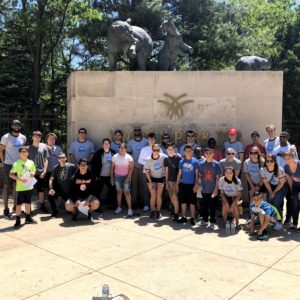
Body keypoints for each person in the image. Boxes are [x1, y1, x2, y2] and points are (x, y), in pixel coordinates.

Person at [0, 119, 26, 216]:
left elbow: (23, 151)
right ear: (11, 126)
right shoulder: (5, 137)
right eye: (14, 125)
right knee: (6, 186)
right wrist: (3, 162)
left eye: (18, 125)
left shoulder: (23, 137)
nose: (16, 127)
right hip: (8, 164)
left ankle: (16, 206)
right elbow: (1, 150)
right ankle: (6, 208)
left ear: (19, 126)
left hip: (19, 165)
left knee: (17, 187)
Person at [9, 146, 36, 228]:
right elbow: (10, 174)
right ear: (19, 153)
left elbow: (34, 170)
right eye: (22, 152)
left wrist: (33, 173)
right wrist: (19, 179)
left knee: (28, 203)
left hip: (29, 186)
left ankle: (28, 218)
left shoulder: (31, 162)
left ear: (28, 153)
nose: (24, 153)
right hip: (20, 188)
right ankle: (17, 220)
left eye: (26, 151)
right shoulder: (16, 163)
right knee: (18, 205)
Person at [198, 148, 222, 229]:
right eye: (207, 153)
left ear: (213, 154)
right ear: (204, 154)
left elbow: (218, 178)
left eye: (210, 153)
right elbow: (200, 176)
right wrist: (200, 186)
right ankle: (205, 220)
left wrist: (216, 189)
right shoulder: (201, 165)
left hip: (213, 189)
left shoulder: (216, 164)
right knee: (204, 205)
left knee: (212, 206)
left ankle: (212, 221)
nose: (208, 154)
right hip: (204, 189)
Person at [260, 154, 287, 227]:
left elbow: (281, 183)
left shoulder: (279, 170)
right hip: (271, 186)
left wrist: (274, 192)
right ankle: (272, 219)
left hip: (282, 186)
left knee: (275, 203)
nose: (269, 163)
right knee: (269, 203)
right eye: (267, 161)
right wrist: (271, 192)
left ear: (274, 161)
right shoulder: (263, 170)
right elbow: (266, 182)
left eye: (271, 161)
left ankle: (279, 220)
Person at [176, 145, 200, 226]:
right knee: (183, 202)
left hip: (192, 185)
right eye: (186, 151)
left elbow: (197, 174)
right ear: (184, 152)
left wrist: (196, 184)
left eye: (190, 151)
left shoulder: (195, 162)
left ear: (192, 152)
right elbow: (179, 173)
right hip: (183, 184)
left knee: (192, 203)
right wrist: (176, 184)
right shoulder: (181, 162)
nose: (188, 152)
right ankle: (184, 217)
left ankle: (192, 218)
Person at [138, 132, 162, 211]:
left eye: (153, 139)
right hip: (146, 172)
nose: (151, 141)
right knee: (146, 189)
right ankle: (146, 205)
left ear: (155, 140)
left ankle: (155, 205)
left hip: (157, 173)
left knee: (156, 189)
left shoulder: (159, 149)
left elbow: (161, 159)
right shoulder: (144, 149)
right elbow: (139, 160)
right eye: (150, 139)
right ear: (148, 140)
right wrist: (148, 163)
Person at [48, 152, 76, 217]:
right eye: (60, 158)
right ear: (58, 159)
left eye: (63, 157)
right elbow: (51, 179)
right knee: (50, 195)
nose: (62, 159)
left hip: (70, 191)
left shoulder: (72, 166)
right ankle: (55, 210)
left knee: (70, 210)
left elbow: (76, 177)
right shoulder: (56, 167)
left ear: (66, 158)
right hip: (60, 190)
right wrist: (51, 189)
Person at [91, 138, 116, 210]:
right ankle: (97, 207)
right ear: (102, 145)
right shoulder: (98, 153)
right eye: (104, 143)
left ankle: (111, 204)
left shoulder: (113, 153)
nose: (106, 145)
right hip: (100, 176)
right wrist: (95, 175)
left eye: (107, 143)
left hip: (110, 176)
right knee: (97, 191)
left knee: (112, 190)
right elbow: (93, 164)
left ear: (110, 145)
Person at [127, 127, 148, 209]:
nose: (137, 131)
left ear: (141, 131)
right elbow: (128, 154)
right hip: (134, 166)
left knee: (144, 185)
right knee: (134, 185)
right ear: (134, 132)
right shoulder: (130, 142)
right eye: (136, 130)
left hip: (144, 166)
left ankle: (143, 202)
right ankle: (134, 203)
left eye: (139, 130)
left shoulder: (145, 141)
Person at [111, 143, 134, 217]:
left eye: (123, 148)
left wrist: (128, 178)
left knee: (127, 193)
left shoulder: (129, 157)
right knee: (119, 192)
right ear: (119, 148)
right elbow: (112, 168)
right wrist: (112, 178)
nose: (122, 149)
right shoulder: (114, 156)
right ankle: (119, 207)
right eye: (120, 147)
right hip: (117, 177)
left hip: (126, 177)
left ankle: (130, 209)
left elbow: (131, 168)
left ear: (126, 149)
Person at [28, 131, 49, 212]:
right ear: (32, 137)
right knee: (29, 191)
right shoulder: (28, 148)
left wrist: (44, 171)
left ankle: (42, 205)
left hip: (41, 173)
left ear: (40, 138)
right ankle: (28, 207)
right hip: (31, 173)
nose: (37, 138)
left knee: (41, 190)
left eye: (39, 136)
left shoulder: (44, 148)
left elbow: (46, 160)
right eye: (35, 136)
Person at [145, 144, 167, 219]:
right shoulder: (148, 159)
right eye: (154, 150)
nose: (156, 151)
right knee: (153, 195)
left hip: (161, 178)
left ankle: (158, 211)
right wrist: (150, 182)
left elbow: (170, 157)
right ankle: (152, 211)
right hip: (151, 178)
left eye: (158, 150)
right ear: (152, 150)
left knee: (159, 195)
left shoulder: (163, 157)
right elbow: (147, 172)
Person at [283, 151, 300, 232]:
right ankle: (295, 224)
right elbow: (289, 180)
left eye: (289, 158)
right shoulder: (286, 167)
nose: (287, 160)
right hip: (295, 186)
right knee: (295, 204)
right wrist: (292, 191)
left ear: (293, 158)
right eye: (285, 159)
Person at [164, 143, 181, 221]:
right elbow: (166, 171)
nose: (170, 150)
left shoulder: (178, 158)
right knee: (171, 197)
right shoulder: (166, 159)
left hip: (176, 181)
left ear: (174, 149)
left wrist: (177, 182)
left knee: (175, 197)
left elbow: (180, 171)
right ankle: (175, 210)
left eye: (172, 149)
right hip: (169, 181)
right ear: (166, 150)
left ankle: (176, 214)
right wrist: (166, 182)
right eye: (168, 149)